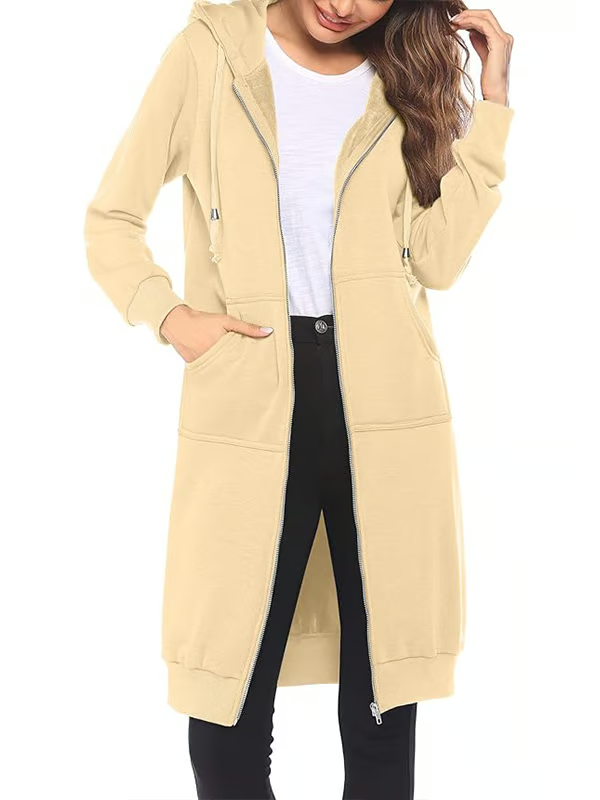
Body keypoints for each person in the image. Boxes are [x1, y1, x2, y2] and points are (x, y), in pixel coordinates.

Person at [83, 0, 514, 797]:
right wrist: (171, 318)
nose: (345, 5)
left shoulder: (403, 74)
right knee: (227, 697)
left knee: (383, 699)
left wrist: (490, 108)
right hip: (249, 395)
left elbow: (437, 260)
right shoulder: (209, 54)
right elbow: (111, 218)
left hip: (386, 409)